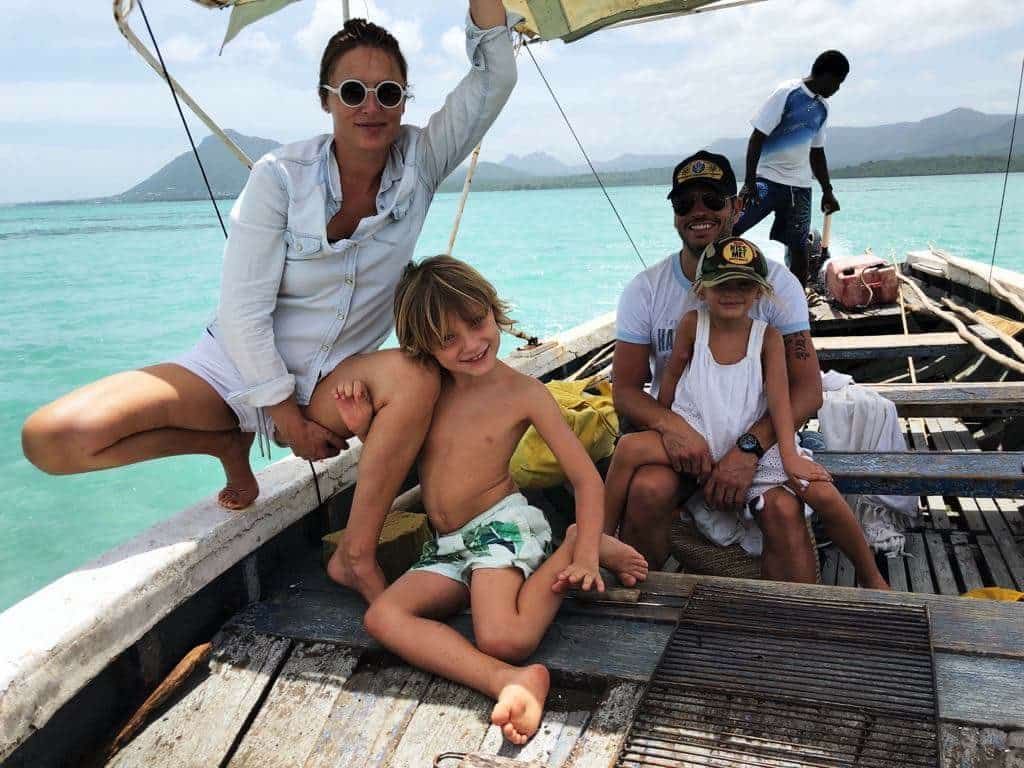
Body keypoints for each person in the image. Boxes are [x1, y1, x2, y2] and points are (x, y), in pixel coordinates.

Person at [20, 2, 518, 604]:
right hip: (233, 368)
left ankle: (356, 554)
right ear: (326, 97)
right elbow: (242, 313)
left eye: (388, 92)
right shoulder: (279, 178)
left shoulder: (421, 163)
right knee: (53, 438)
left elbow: (495, 78)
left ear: (405, 101)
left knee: (415, 376)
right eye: (353, 90)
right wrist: (286, 421)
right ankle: (223, 441)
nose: (371, 107)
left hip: (334, 382)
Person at [334, 256, 648, 744]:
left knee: (505, 638)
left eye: (477, 323)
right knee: (382, 617)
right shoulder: (425, 394)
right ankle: (505, 680)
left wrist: (586, 553)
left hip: (501, 529)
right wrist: (363, 430)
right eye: (448, 339)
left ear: (492, 310)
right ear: (422, 347)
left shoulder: (523, 393)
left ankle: (568, 546)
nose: (472, 345)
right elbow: (399, 456)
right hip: (447, 545)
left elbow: (587, 481)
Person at [606, 237, 887, 589]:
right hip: (699, 434)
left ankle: (871, 576)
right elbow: (673, 377)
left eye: (744, 285)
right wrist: (667, 426)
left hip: (750, 440)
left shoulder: (767, 337)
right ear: (702, 289)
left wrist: (788, 453)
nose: (732, 292)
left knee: (824, 493)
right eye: (722, 284)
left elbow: (781, 400)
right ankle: (600, 537)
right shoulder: (693, 324)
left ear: (759, 293)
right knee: (629, 448)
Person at [613, 151, 823, 582]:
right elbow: (626, 390)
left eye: (712, 199)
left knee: (784, 508)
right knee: (649, 489)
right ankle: (638, 593)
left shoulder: (776, 284)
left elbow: (807, 390)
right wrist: (672, 428)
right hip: (689, 433)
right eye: (684, 204)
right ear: (674, 216)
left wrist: (749, 448)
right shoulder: (645, 290)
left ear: (736, 206)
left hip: (756, 432)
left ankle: (800, 617)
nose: (699, 212)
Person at [733, 50, 849, 286]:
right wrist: (749, 182)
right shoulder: (788, 93)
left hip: (800, 188)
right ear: (825, 75)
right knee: (731, 228)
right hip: (766, 181)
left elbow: (817, 152)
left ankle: (799, 301)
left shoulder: (823, 108)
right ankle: (716, 286)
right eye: (837, 82)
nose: (837, 89)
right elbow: (757, 137)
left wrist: (827, 190)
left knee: (799, 248)